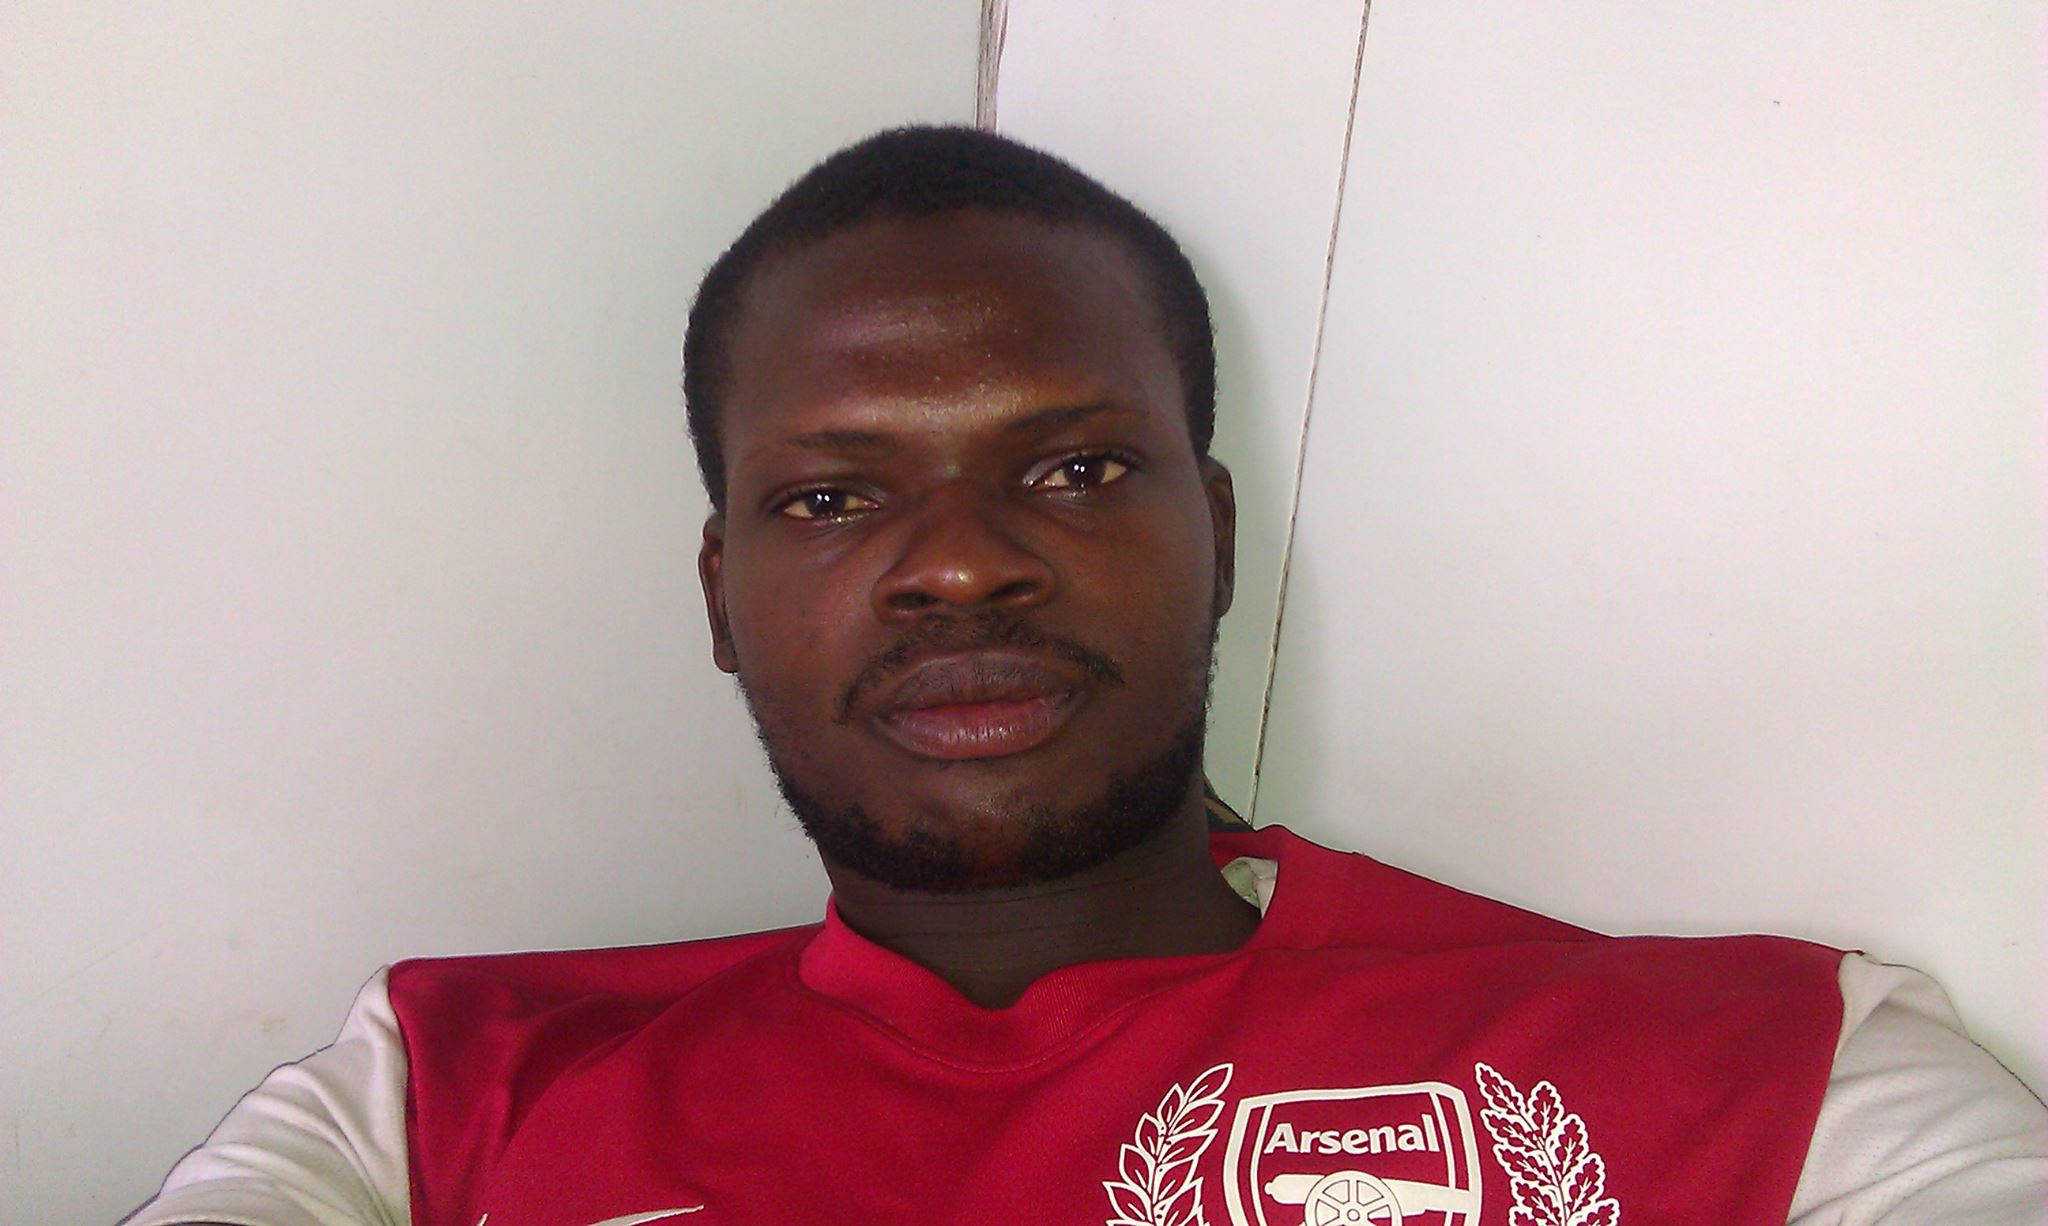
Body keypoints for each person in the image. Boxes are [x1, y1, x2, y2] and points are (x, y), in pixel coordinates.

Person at [127, 126, 2044, 1226]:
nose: (958, 559)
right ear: (722, 595)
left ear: (1218, 532)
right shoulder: (436, 1100)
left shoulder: (1779, 1084)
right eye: (831, 494)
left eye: (1071, 468)